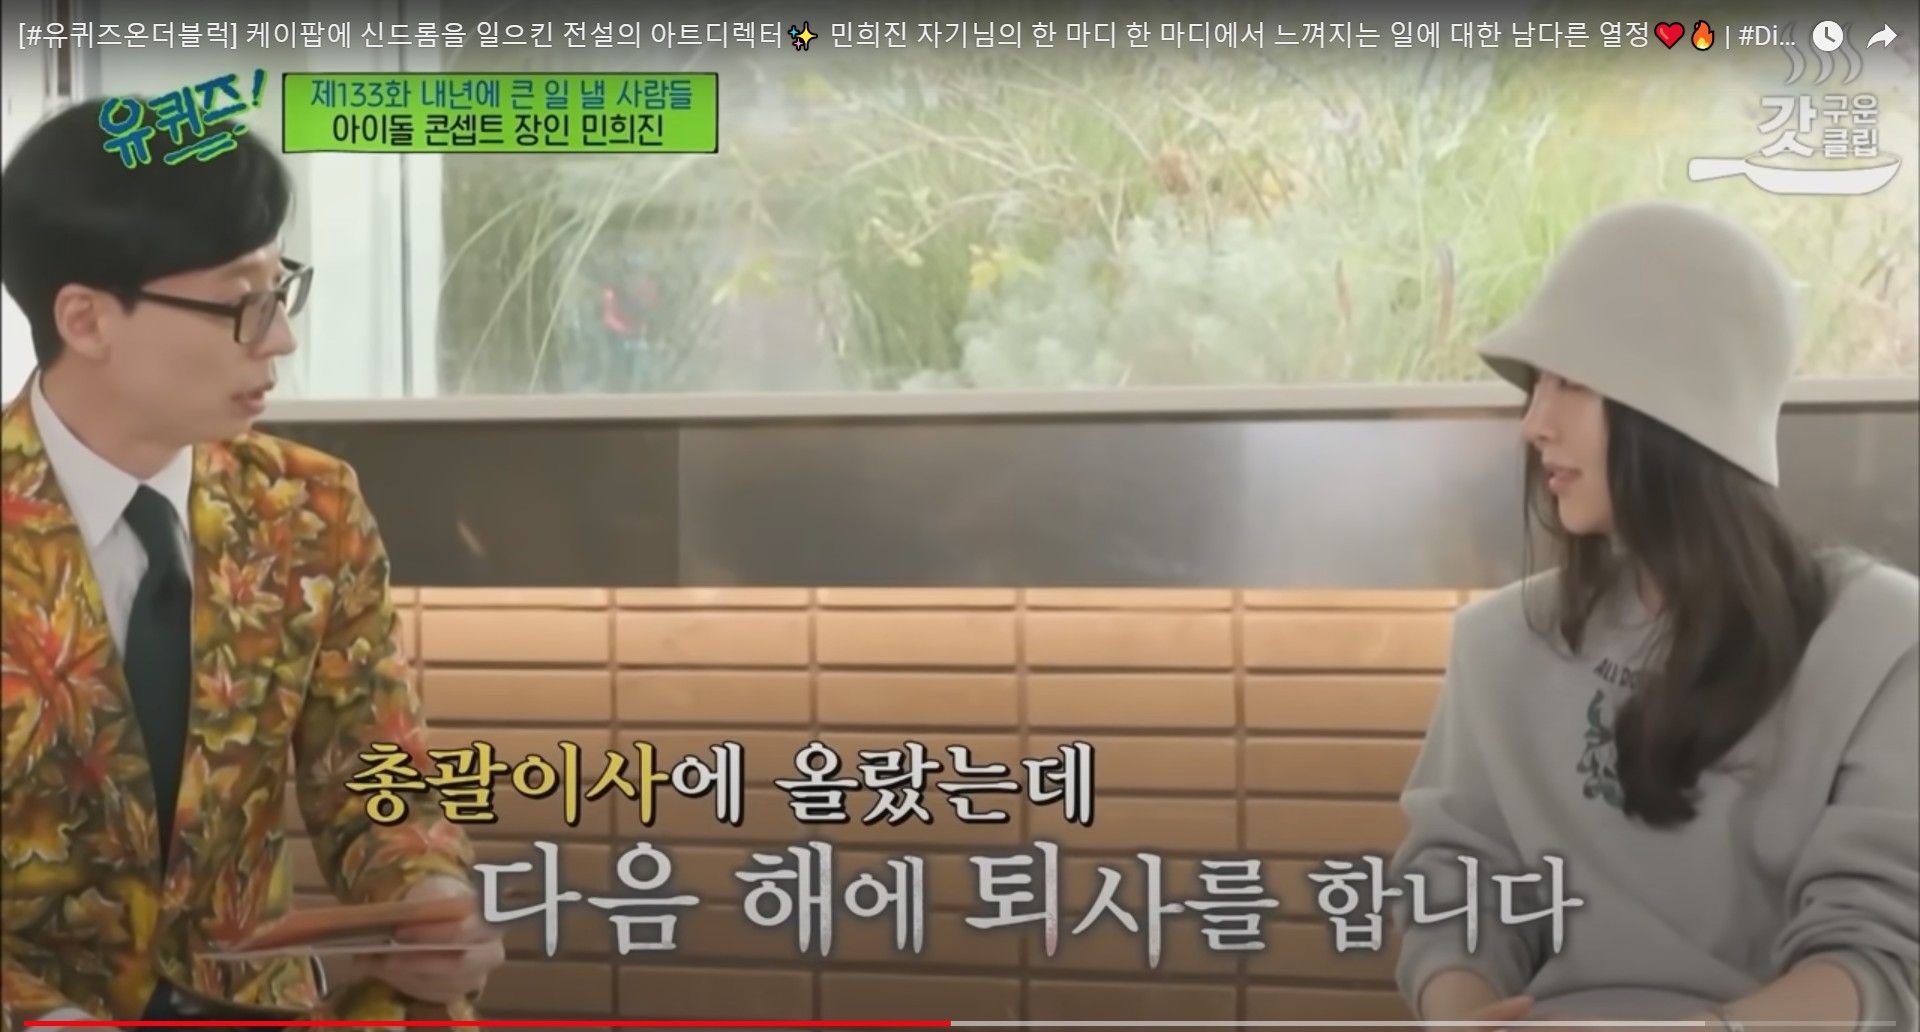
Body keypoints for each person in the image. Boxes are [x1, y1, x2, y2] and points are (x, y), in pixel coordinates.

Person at [0, 99, 505, 1030]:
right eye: (242, 304)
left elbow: (377, 777)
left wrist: (431, 899)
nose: (280, 338)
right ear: (86, 318)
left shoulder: (309, 509)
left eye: (282, 291)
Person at [1390, 201, 1918, 1031]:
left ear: (1677, 408)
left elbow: (1879, 951)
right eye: (1536, 385)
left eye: (1571, 383)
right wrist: (1465, 1015)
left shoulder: (1881, 643)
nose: (1534, 423)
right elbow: (1455, 887)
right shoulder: (1498, 645)